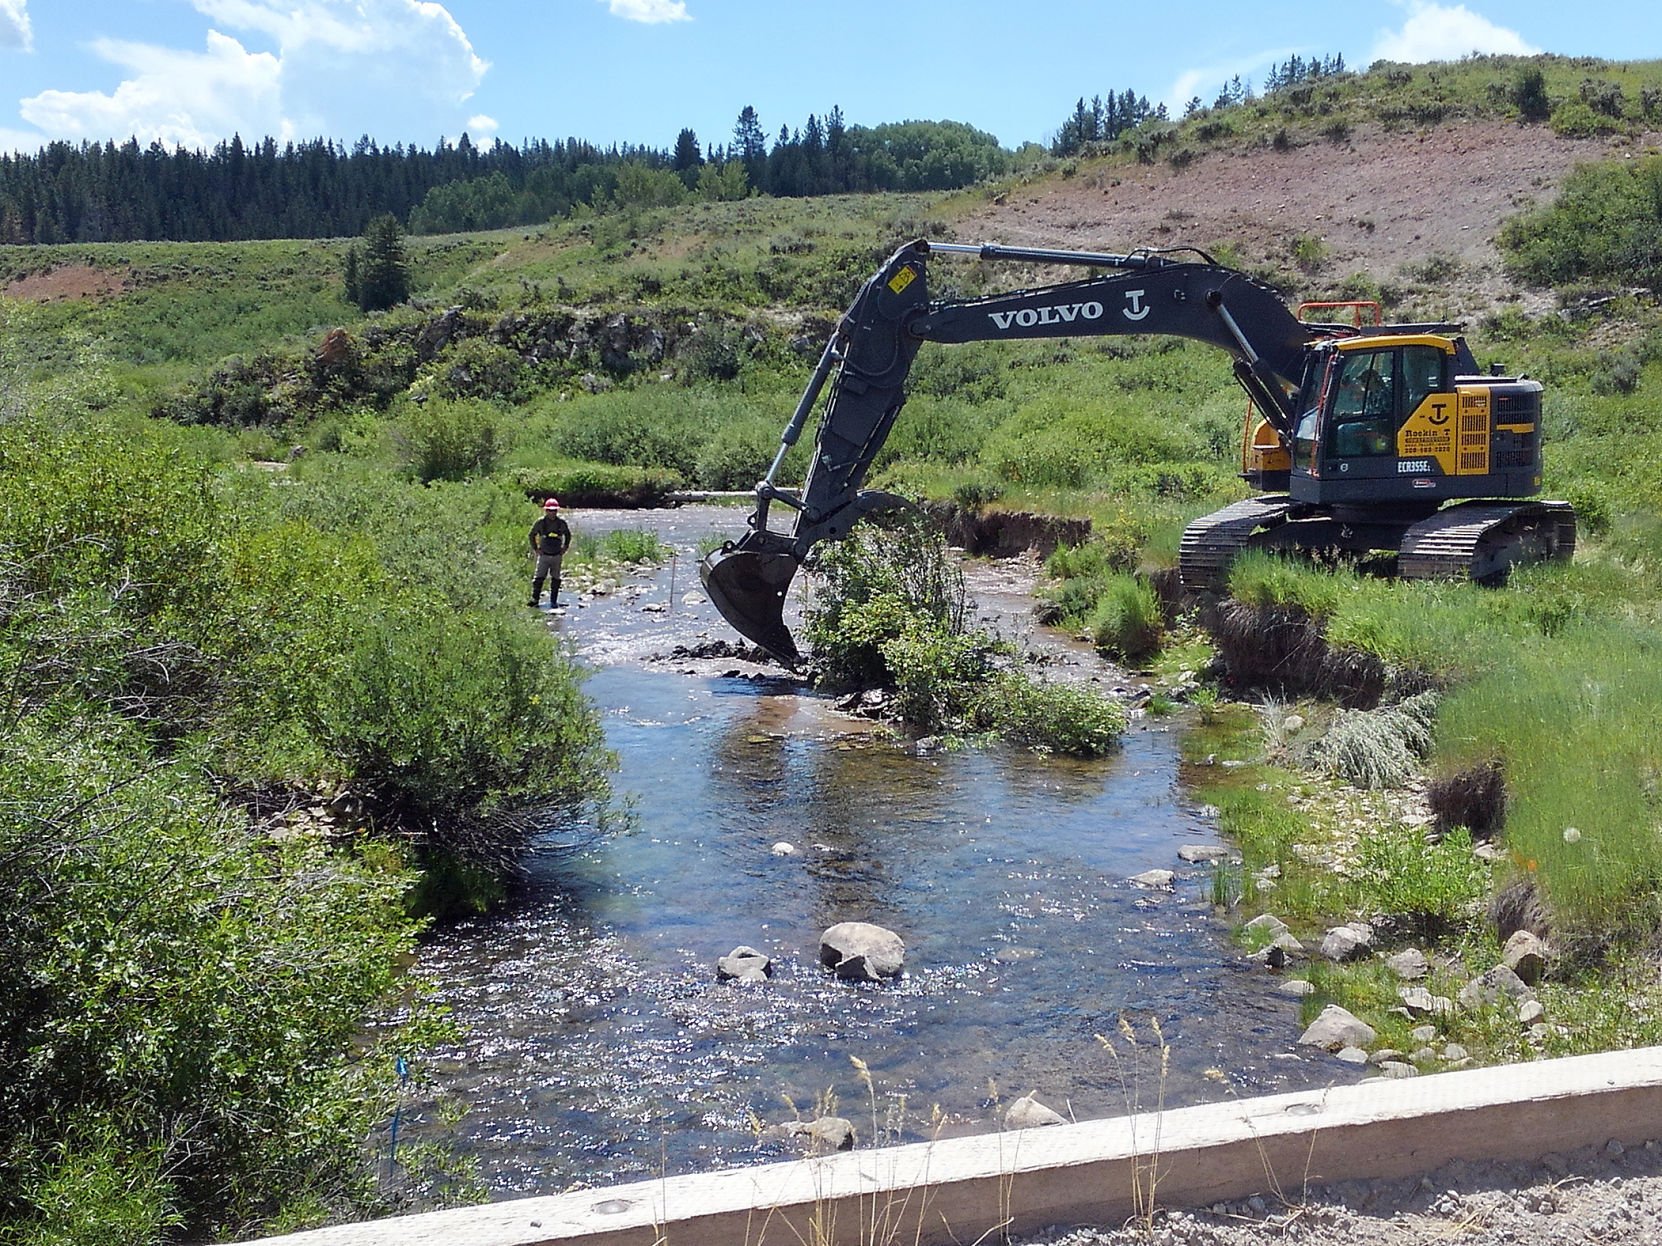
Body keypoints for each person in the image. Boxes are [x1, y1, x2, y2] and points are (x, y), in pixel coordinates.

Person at [528, 497, 572, 608]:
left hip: (557, 555)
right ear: (546, 510)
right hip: (544, 556)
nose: (552, 513)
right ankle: (535, 600)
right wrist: (536, 549)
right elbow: (531, 535)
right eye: (550, 510)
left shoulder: (561, 523)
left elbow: (568, 534)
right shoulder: (540, 523)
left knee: (556, 578)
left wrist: (565, 547)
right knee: (539, 578)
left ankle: (553, 601)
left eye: (554, 510)